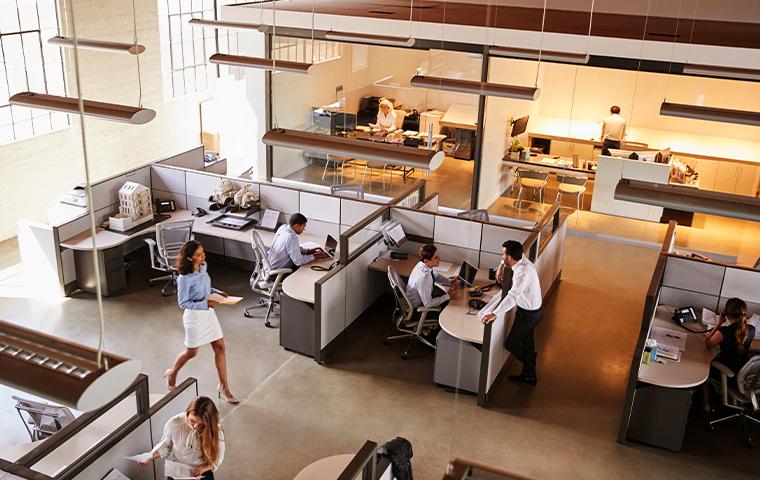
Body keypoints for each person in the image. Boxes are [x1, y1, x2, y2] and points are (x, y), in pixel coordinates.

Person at [164, 240, 238, 404]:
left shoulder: (203, 267)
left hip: (208, 314)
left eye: (202, 252)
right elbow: (183, 303)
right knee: (192, 352)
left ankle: (224, 387)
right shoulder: (184, 278)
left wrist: (218, 293)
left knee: (220, 347)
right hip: (194, 316)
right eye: (199, 254)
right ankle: (172, 373)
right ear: (190, 258)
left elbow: (206, 289)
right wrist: (206, 304)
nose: (203, 255)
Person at [482, 240, 542, 385]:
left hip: (528, 315)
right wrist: (501, 267)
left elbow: (512, 297)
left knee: (511, 344)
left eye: (503, 254)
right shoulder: (522, 260)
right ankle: (529, 375)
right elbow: (506, 259)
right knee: (527, 343)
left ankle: (530, 363)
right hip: (533, 311)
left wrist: (495, 313)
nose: (501, 256)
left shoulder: (522, 274)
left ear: (509, 257)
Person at [139, 396, 225, 479]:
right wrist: (151, 455)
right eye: (192, 421)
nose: (195, 426)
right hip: (178, 470)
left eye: (201, 425)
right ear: (187, 413)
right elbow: (166, 445)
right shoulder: (175, 423)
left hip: (202, 471)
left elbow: (217, 458)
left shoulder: (216, 430)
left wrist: (203, 469)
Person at [406, 244, 460, 319]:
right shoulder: (423, 278)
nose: (439, 259)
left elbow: (435, 275)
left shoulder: (423, 265)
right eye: (436, 257)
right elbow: (428, 304)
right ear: (426, 261)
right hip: (419, 309)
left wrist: (450, 282)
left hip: (423, 298)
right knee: (451, 306)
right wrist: (449, 295)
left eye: (438, 256)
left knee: (446, 296)